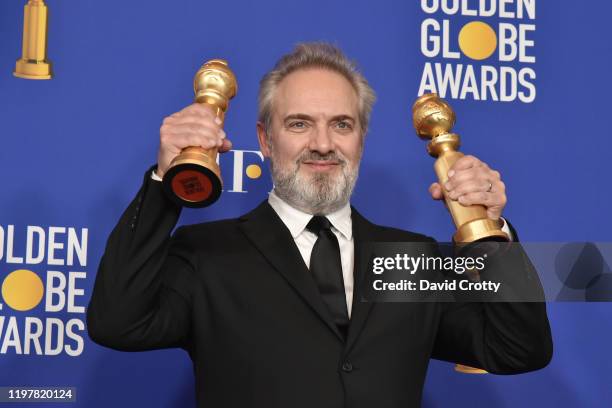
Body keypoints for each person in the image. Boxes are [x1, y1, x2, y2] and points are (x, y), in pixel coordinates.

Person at [87, 42, 552, 408]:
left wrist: (491, 232)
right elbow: (117, 322)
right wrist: (163, 182)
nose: (323, 144)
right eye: (299, 124)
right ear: (265, 141)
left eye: (342, 125)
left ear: (361, 141)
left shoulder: (412, 259)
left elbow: (517, 349)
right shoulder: (208, 253)